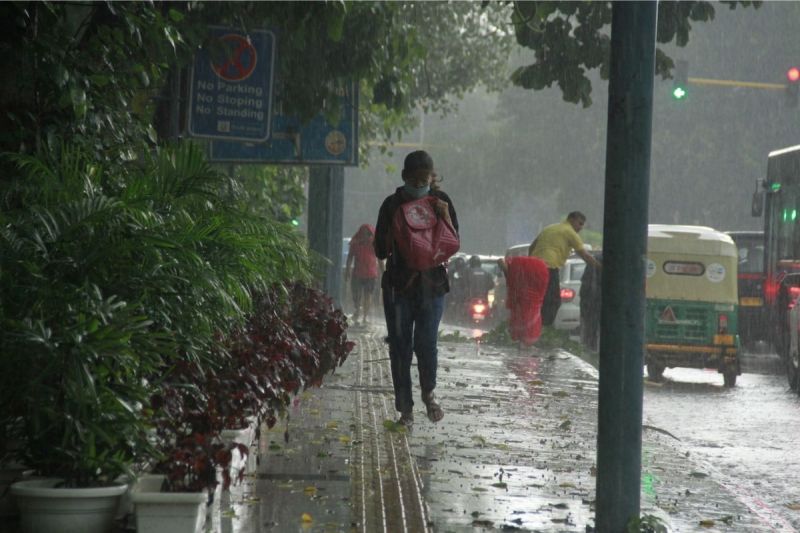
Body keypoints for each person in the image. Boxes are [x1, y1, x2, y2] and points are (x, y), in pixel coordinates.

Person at [374, 150, 458, 427]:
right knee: (400, 347)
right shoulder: (391, 205)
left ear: (432, 177)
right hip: (399, 288)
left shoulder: (442, 202)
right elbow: (380, 250)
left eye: (425, 179)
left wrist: (444, 217)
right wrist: (394, 232)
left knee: (426, 343)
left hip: (432, 286)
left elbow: (452, 244)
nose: (420, 184)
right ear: (404, 177)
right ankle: (405, 409)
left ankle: (428, 393)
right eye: (415, 179)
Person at [528, 211, 601, 326]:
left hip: (533, 267)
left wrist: (531, 260)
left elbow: (532, 247)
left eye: (582, 225)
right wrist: (600, 267)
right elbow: (585, 255)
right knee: (554, 301)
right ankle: (542, 328)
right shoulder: (570, 232)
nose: (581, 228)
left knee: (538, 299)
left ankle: (532, 327)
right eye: (579, 223)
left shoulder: (550, 228)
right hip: (548, 267)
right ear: (571, 220)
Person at [497, 255, 549, 347]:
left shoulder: (517, 290)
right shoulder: (533, 289)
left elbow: (511, 280)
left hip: (522, 317)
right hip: (531, 322)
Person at [345, 224, 381, 326]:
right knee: (356, 295)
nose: (365, 235)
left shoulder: (374, 243)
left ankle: (364, 316)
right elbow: (350, 257)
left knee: (367, 296)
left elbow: (380, 258)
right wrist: (347, 270)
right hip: (358, 273)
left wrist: (383, 271)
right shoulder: (355, 243)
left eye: (367, 233)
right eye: (363, 233)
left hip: (370, 274)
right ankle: (357, 310)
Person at [579, 251, 602, 351]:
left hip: (591, 300)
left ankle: (590, 346)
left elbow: (585, 283)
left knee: (590, 326)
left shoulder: (594, 260)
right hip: (596, 299)